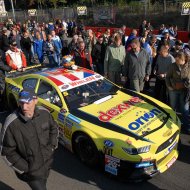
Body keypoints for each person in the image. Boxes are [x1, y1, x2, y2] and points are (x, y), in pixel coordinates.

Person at [0, 88, 59, 190]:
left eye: (28, 102)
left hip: (46, 165)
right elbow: (6, 151)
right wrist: (26, 168)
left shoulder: (45, 113)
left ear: (35, 100)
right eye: (21, 103)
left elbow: (54, 128)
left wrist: (52, 147)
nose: (24, 107)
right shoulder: (11, 123)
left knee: (43, 184)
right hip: (30, 173)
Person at [166, 52, 190, 131]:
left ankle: (185, 126)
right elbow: (168, 77)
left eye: (178, 61)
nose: (176, 62)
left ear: (183, 60)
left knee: (185, 109)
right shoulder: (173, 66)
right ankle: (172, 123)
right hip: (173, 90)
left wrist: (184, 85)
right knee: (173, 107)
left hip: (185, 92)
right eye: (176, 60)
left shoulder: (188, 66)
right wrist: (169, 87)